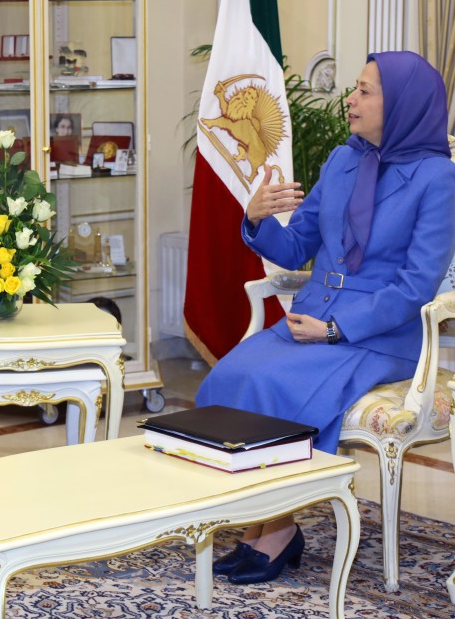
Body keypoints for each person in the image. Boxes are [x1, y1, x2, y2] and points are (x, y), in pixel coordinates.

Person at [195, 51, 455, 585]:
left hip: (379, 336)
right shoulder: (342, 159)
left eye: (365, 91)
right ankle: (261, 523)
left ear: (401, 105)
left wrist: (337, 329)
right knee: (229, 378)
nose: (351, 101)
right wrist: (256, 217)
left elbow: (414, 287)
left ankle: (274, 531)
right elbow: (294, 248)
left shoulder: (439, 179)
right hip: (311, 321)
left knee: (273, 385)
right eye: (354, 88)